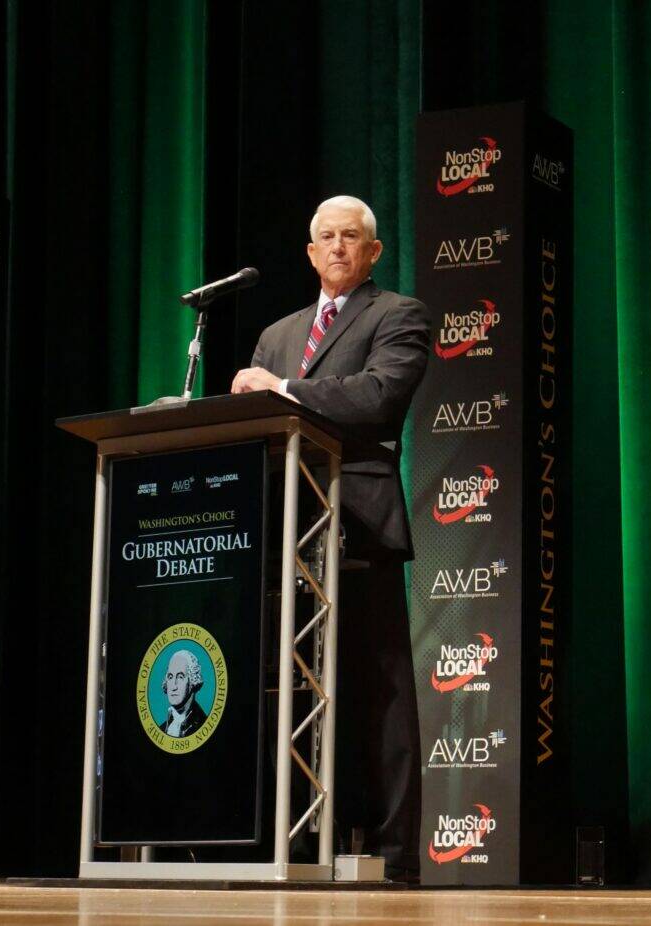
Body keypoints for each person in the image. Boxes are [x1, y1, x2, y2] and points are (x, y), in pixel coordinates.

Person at [232, 194, 428, 881]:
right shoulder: (276, 333)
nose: (339, 246)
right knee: (289, 689)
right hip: (288, 526)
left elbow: (377, 397)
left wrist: (281, 390)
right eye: (327, 237)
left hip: (360, 521)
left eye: (353, 236)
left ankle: (397, 858)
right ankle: (286, 844)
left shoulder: (397, 314)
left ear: (373, 252)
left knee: (380, 694)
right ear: (310, 253)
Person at [159, 649, 209, 737]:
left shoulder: (204, 726)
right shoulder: (161, 729)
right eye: (170, 677)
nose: (173, 686)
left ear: (193, 680)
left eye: (180, 677)